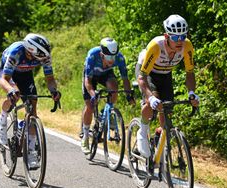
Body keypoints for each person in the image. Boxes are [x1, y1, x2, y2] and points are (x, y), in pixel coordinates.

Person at [136, 14, 199, 158]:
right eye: (175, 38)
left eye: (183, 37)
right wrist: (150, 98)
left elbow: (190, 73)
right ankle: (142, 130)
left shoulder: (187, 46)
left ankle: (159, 137)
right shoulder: (156, 46)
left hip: (165, 74)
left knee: (167, 111)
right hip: (147, 73)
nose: (180, 41)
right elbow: (142, 77)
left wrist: (191, 93)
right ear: (166, 36)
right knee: (152, 102)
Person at [0, 33, 61, 169]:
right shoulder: (16, 52)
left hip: (26, 74)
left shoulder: (44, 55)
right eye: (41, 57)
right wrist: (10, 91)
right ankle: (2, 122)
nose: (44, 59)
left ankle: (31, 151)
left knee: (32, 107)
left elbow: (50, 78)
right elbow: (4, 79)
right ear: (31, 51)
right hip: (9, 73)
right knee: (16, 95)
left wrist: (54, 91)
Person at [81, 37, 135, 154]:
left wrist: (128, 95)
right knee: (90, 106)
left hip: (105, 74)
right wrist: (92, 94)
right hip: (91, 76)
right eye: (109, 57)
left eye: (113, 57)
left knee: (114, 87)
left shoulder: (119, 57)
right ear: (101, 54)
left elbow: (125, 79)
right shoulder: (92, 55)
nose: (111, 60)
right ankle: (85, 137)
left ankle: (108, 111)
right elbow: (88, 81)